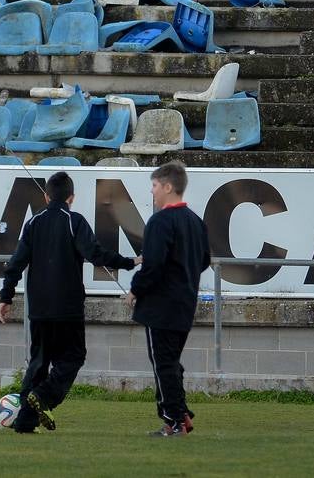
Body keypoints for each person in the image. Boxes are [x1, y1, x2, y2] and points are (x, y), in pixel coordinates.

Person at [0, 170, 141, 433]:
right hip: (68, 308)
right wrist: (129, 262)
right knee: (73, 357)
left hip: (39, 309)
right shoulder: (75, 222)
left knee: (38, 362)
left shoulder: (33, 223)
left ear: (45, 196)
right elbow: (95, 254)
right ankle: (44, 396)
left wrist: (6, 296)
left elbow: (15, 263)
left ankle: (25, 422)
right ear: (71, 198)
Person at [128, 161, 210, 438]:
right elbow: (204, 261)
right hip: (185, 304)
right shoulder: (195, 221)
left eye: (154, 186)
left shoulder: (160, 221)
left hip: (160, 306)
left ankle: (172, 420)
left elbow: (152, 265)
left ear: (168, 186)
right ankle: (182, 412)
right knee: (172, 362)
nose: (152, 192)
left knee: (163, 363)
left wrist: (135, 289)